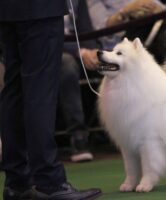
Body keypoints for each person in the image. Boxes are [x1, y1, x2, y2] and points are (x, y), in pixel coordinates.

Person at [0, 0, 102, 199]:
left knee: (15, 90)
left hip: (6, 9)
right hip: (40, 8)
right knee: (39, 92)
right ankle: (49, 181)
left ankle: (17, 182)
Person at [61, 0, 131, 162]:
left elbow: (85, 28)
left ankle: (123, 131)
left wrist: (93, 51)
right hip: (52, 50)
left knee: (109, 62)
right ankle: (78, 137)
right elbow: (48, 35)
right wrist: (81, 51)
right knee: (67, 66)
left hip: (79, 47)